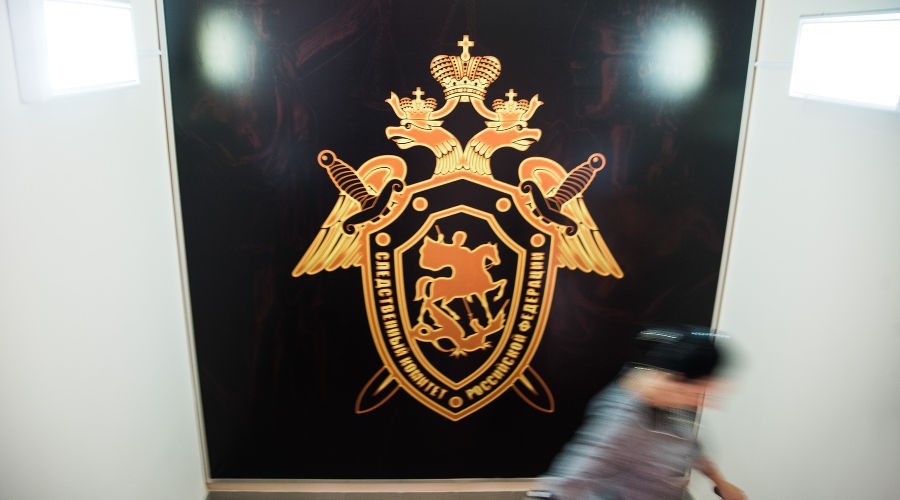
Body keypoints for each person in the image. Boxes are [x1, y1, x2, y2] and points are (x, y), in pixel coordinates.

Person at [535, 328, 746, 500]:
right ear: (677, 381)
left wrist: (721, 482)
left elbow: (692, 448)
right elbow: (570, 481)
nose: (705, 401)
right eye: (701, 391)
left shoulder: (677, 407)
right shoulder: (625, 420)